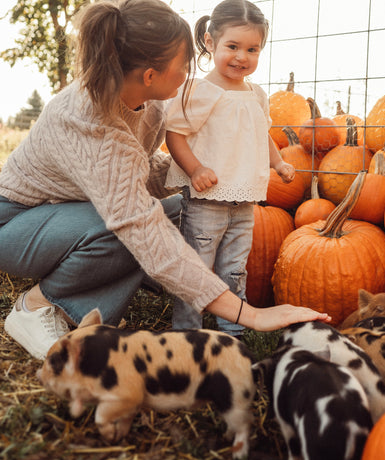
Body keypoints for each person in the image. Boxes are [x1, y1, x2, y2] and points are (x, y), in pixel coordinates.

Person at [0, 0, 330, 361]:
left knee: (181, 213)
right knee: (134, 230)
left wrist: (204, 170)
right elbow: (135, 215)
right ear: (149, 75)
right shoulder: (88, 122)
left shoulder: (152, 103)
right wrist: (249, 314)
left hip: (72, 210)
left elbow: (136, 168)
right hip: (17, 221)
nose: (190, 73)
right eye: (184, 64)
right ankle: (37, 306)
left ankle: (89, 308)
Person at [165, 0, 295, 336]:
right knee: (197, 268)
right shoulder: (199, 90)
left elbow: (260, 134)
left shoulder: (256, 94)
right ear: (210, 42)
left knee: (235, 269)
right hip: (206, 201)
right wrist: (194, 169)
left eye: (252, 49)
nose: (242, 57)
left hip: (244, 203)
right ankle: (187, 335)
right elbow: (175, 135)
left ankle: (231, 334)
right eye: (233, 46)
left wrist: (278, 162)